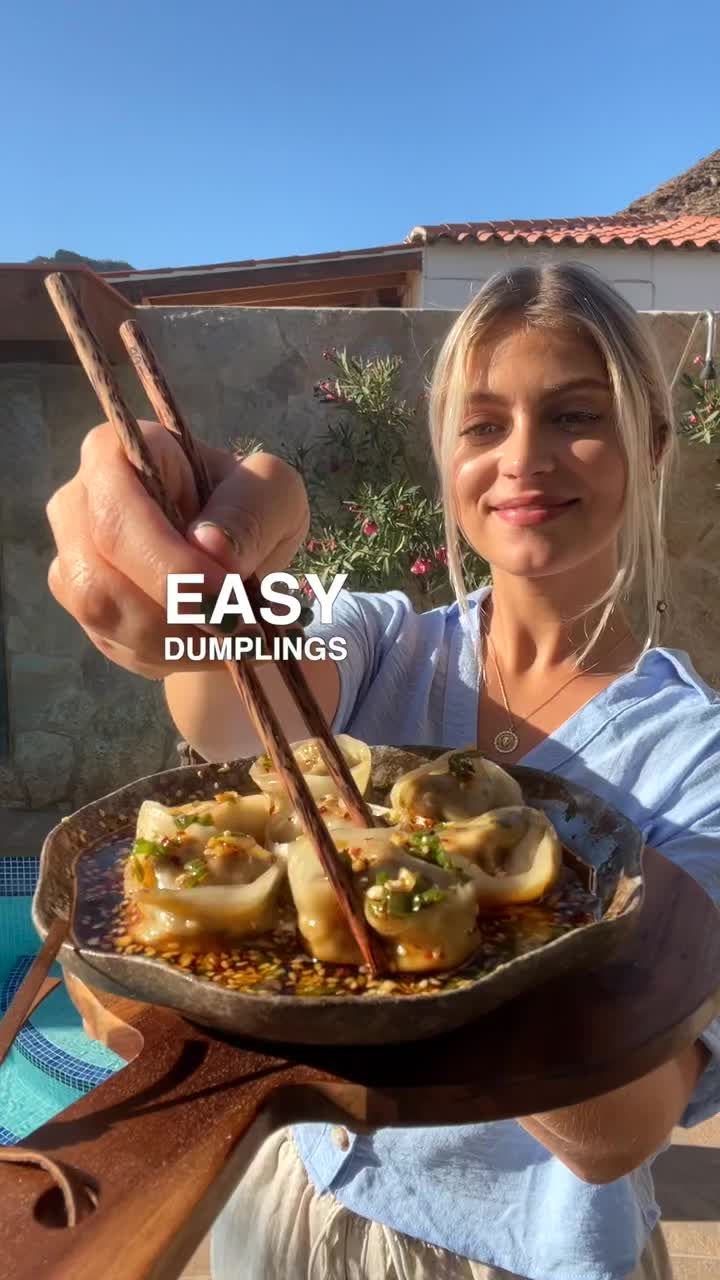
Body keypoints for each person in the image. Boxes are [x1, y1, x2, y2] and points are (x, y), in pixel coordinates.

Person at [45, 263, 720, 1280]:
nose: (523, 459)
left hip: (521, 1256)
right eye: (483, 424)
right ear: (447, 456)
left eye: (577, 415)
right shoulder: (380, 643)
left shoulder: (693, 757)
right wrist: (205, 583)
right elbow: (230, 696)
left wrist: (461, 915)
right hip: (293, 1201)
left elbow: (618, 1124)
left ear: (653, 446)